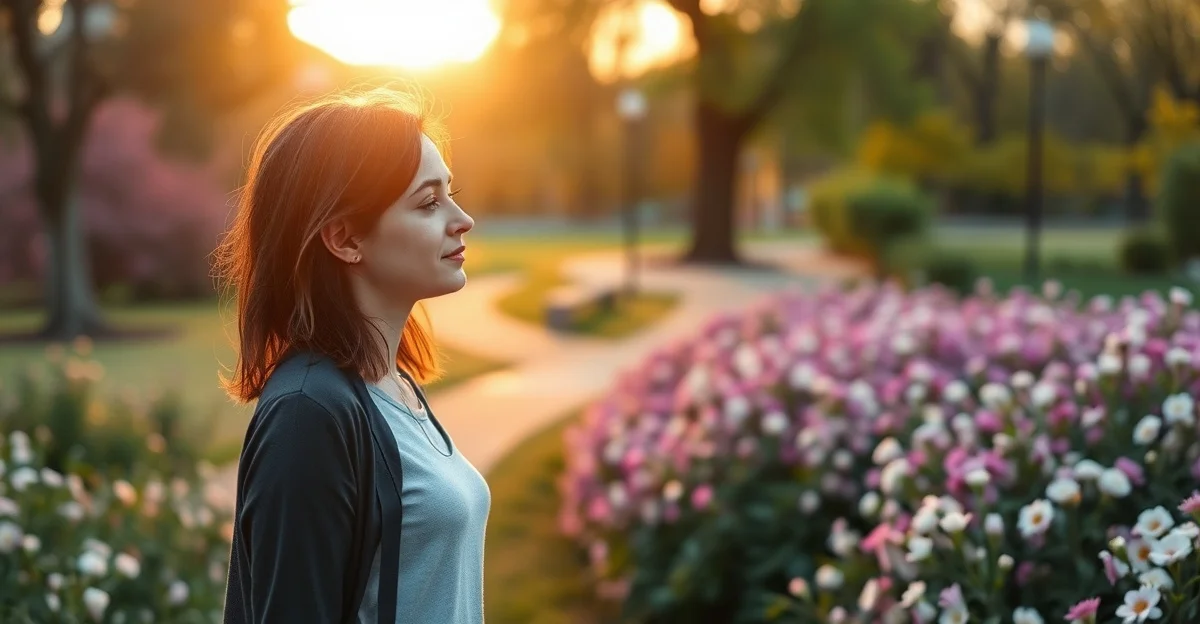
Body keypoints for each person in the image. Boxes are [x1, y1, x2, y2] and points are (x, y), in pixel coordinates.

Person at [214, 86, 490, 624]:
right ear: (343, 238)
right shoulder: (307, 415)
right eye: (429, 202)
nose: (462, 219)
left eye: (450, 194)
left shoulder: (395, 386)